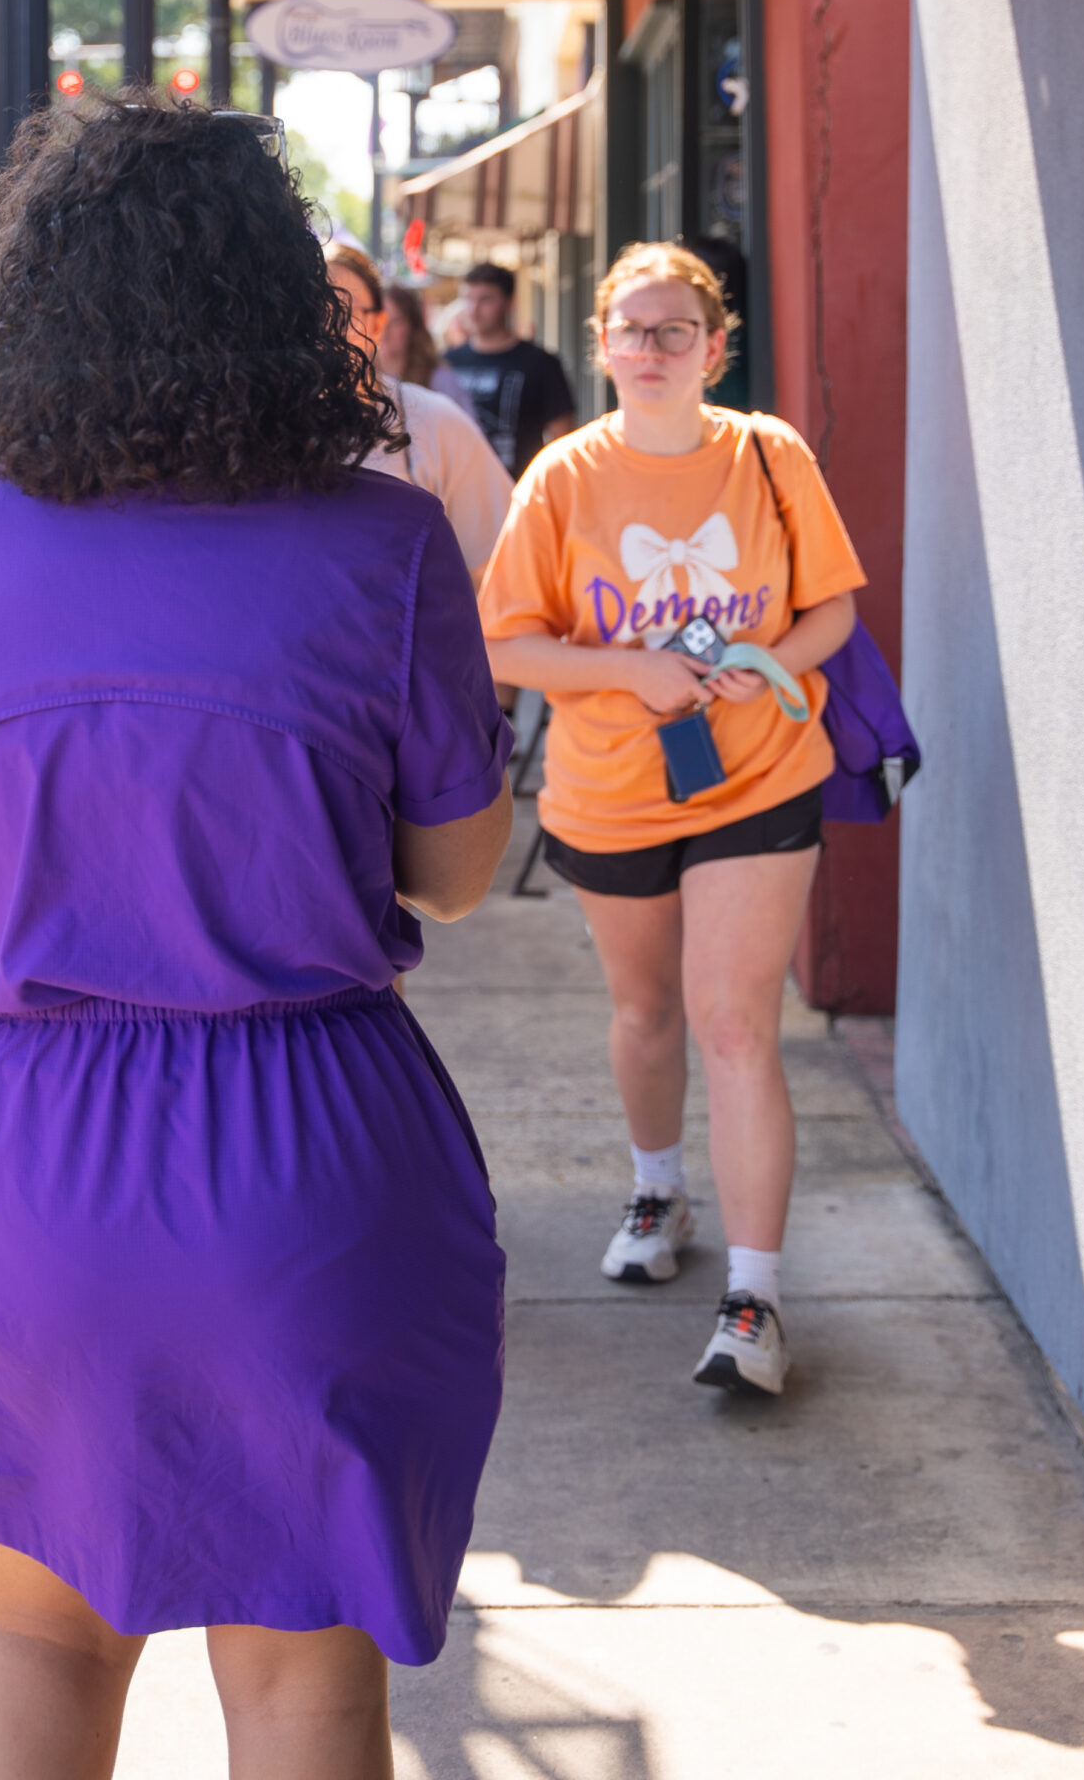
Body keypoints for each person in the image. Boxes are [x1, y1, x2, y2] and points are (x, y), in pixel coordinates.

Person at [0, 97, 512, 1780]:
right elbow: (455, 870)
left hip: (39, 1148)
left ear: (37, 308)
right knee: (304, 1686)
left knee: (39, 1640)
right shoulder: (386, 546)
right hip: (309, 1155)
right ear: (277, 303)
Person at [476, 241, 864, 1398]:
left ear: (714, 346)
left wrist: (773, 660)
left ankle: (756, 1299)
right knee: (646, 1010)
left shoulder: (768, 453)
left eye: (674, 331)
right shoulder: (563, 478)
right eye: (631, 331)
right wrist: (625, 672)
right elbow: (504, 640)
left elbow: (833, 607)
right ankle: (659, 1185)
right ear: (601, 344)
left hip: (761, 773)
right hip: (612, 787)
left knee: (734, 1019)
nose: (650, 350)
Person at [327, 244, 513, 580]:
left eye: (344, 311)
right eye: (308, 311)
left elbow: (502, 559)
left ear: (377, 324)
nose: (326, 329)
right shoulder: (242, 433)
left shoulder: (433, 420)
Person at [443, 261, 575, 478]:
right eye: (468, 299)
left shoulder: (541, 363)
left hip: (520, 491)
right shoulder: (447, 363)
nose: (474, 310)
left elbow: (564, 438)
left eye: (486, 299)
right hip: (455, 493)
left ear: (510, 303)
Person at [378, 278, 475, 415]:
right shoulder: (360, 379)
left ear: (412, 325)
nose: (384, 331)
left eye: (395, 321)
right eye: (380, 320)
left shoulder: (441, 380)